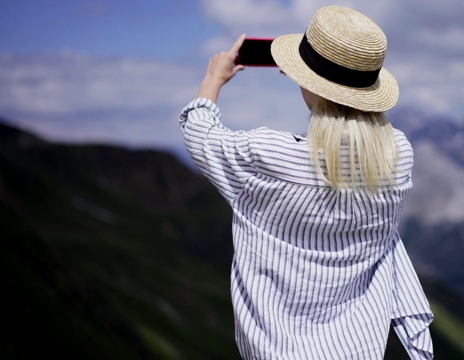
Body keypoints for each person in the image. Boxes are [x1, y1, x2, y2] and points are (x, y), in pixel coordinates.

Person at [179, 5, 433, 359]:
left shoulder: (268, 155)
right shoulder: (399, 156)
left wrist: (213, 80)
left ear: (305, 80)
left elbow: (200, 134)